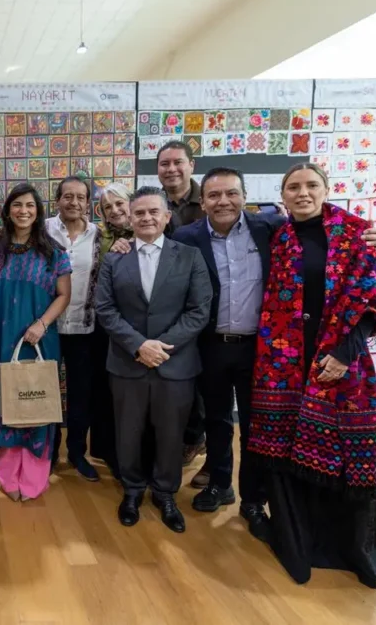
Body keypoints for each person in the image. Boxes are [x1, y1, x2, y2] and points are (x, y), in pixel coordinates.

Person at [172, 167, 376, 535]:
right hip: (210, 345)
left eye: (231, 193)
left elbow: (327, 234)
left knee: (258, 426)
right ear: (202, 201)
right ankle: (219, 484)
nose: (223, 201)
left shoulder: (269, 228)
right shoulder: (186, 236)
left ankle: (253, 498)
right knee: (217, 421)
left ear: (245, 197)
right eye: (214, 195)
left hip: (262, 349)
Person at [247, 163, 376, 588]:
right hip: (284, 366)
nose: (303, 193)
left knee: (343, 449)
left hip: (340, 362)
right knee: (287, 448)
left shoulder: (355, 234)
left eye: (312, 185)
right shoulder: (278, 237)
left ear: (327, 189)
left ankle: (350, 548)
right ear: (282, 195)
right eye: (293, 187)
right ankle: (299, 541)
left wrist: (345, 353)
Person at [95, 186, 212, 533]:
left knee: (171, 433)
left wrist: (159, 347)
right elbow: (105, 309)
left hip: (175, 363)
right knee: (128, 432)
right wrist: (138, 346)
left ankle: (165, 492)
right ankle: (132, 490)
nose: (146, 218)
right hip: (127, 363)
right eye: (139, 213)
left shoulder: (189, 257)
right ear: (130, 219)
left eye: (153, 212)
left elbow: (199, 310)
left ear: (166, 216)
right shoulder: (114, 259)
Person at [0, 184, 72, 502]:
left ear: (38, 212)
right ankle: (8, 478)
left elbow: (64, 295)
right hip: (2, 337)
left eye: (30, 206)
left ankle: (34, 479)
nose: (23, 211)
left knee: (37, 401)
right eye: (17, 205)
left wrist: (41, 324)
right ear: (8, 211)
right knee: (7, 402)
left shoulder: (54, 252)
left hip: (39, 337)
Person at [46, 177, 102, 481]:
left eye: (81, 197)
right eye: (68, 196)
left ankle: (77, 452)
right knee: (47, 393)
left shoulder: (99, 235)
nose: (74, 202)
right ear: (57, 200)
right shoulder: (42, 230)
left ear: (88, 202)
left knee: (82, 394)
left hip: (85, 328)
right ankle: (49, 452)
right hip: (48, 327)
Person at [88, 183, 133, 477]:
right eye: (107, 207)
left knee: (129, 393)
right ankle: (107, 452)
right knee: (103, 389)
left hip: (135, 326)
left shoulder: (146, 231)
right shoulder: (99, 237)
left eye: (119, 204)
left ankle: (130, 455)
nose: (114, 211)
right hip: (102, 325)